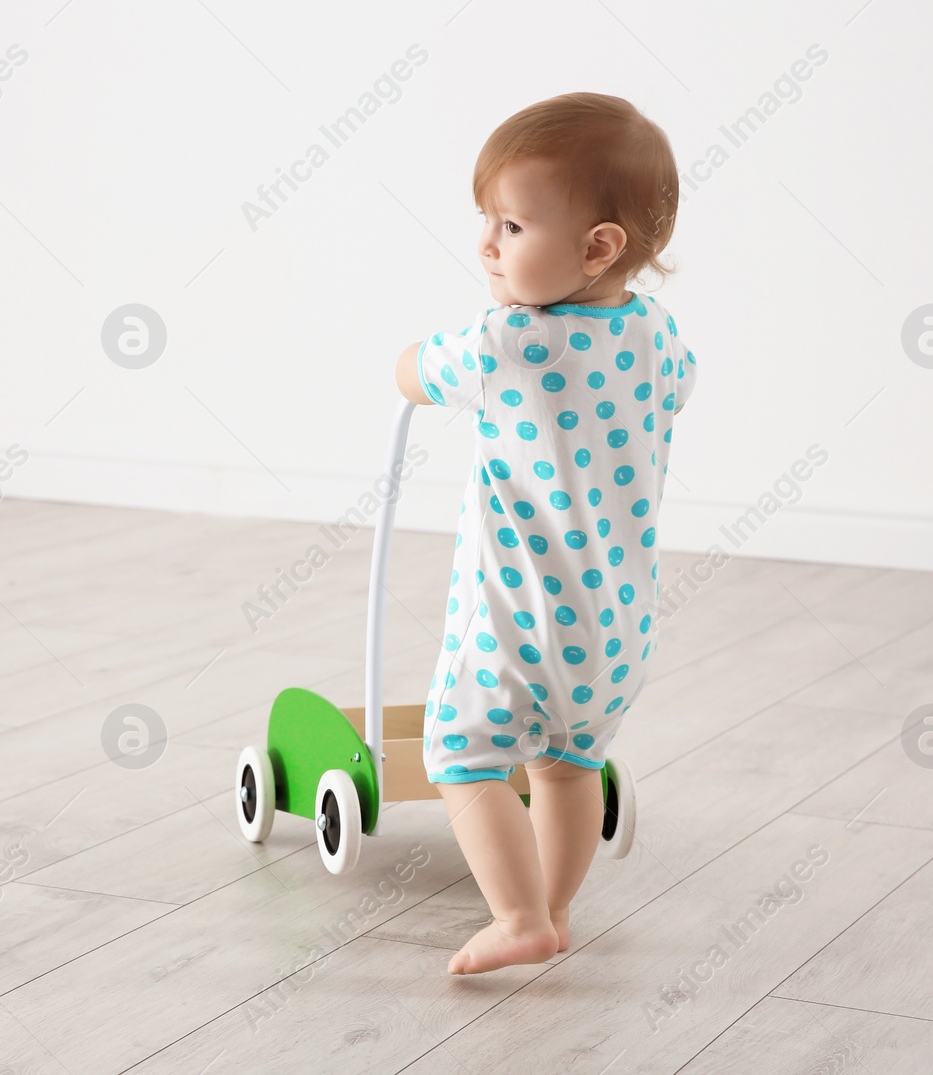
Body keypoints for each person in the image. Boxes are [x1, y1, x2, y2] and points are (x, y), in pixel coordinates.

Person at [394, 92, 697, 974]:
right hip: (618, 629)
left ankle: (519, 913)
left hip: (516, 618)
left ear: (598, 245)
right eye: (487, 221)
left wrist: (414, 365)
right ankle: (556, 909)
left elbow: (412, 370)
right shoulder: (656, 334)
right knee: (567, 766)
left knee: (458, 750)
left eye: (512, 225)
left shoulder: (508, 341)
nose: (487, 244)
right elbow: (681, 387)